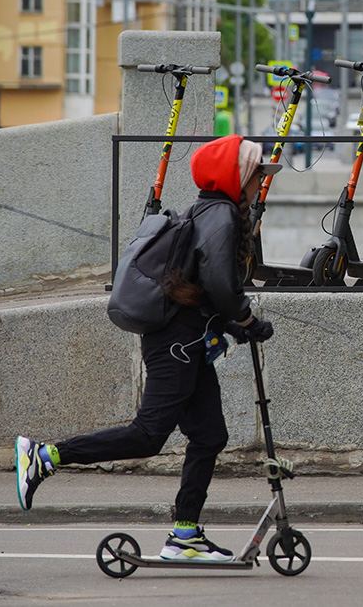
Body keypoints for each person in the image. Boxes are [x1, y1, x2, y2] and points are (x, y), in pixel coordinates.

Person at [15, 135, 280, 562]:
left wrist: (234, 324)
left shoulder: (208, 212)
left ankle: (185, 536)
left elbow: (201, 288)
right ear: (238, 177)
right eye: (256, 177)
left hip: (187, 343)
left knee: (210, 435)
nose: (260, 186)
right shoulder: (222, 215)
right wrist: (246, 318)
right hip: (177, 346)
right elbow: (218, 283)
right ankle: (45, 455)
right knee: (148, 435)